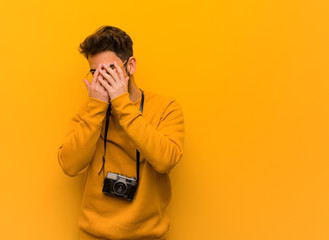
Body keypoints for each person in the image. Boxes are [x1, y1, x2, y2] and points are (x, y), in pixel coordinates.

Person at [57, 25, 185, 240]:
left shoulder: (166, 108)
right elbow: (69, 165)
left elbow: (165, 160)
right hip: (93, 235)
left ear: (131, 66)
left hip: (148, 236)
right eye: (95, 73)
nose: (103, 79)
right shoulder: (89, 112)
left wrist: (122, 105)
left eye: (109, 70)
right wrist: (96, 108)